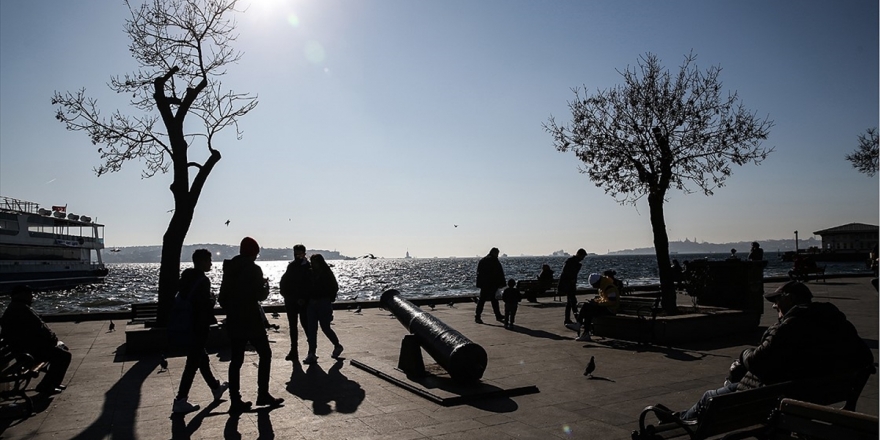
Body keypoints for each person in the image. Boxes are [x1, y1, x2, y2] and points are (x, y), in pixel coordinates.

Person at [672, 281, 874, 422]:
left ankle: (678, 423)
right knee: (729, 386)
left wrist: (743, 354)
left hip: (774, 396)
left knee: (710, 397)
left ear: (790, 298)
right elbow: (865, 358)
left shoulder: (789, 327)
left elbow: (758, 361)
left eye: (777, 299)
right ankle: (681, 416)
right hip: (809, 391)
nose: (773, 305)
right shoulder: (836, 321)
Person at [218, 237, 284, 412]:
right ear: (253, 252)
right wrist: (265, 286)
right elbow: (260, 296)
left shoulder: (229, 268)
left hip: (234, 320)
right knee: (265, 354)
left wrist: (233, 308)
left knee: (236, 360)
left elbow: (222, 298)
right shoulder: (254, 269)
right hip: (251, 320)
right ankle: (262, 393)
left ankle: (235, 400)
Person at [172, 249, 228, 414]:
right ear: (202, 262)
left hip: (187, 325)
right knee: (193, 363)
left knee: (201, 359)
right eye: (209, 260)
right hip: (198, 326)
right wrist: (212, 300)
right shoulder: (202, 281)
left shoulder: (186, 278)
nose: (211, 263)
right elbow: (203, 306)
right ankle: (181, 399)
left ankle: (215, 387)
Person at [0, 285, 71, 395]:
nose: (32, 297)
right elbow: (40, 330)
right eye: (29, 294)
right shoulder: (22, 310)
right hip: (28, 352)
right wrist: (52, 340)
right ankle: (46, 386)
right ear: (23, 295)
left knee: (61, 351)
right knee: (64, 356)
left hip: (25, 349)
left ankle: (52, 383)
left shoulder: (17, 308)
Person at [303, 254, 344, 364]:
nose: (313, 264)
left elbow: (334, 287)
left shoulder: (326, 273)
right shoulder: (309, 273)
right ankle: (311, 353)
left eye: (314, 262)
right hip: (312, 303)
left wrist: (329, 298)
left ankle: (337, 345)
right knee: (311, 329)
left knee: (325, 327)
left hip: (323, 303)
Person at [279, 244, 311, 362]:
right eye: (295, 254)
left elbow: (309, 285)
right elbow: (285, 283)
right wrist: (287, 295)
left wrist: (304, 298)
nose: (297, 256)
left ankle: (311, 350)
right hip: (291, 301)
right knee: (293, 327)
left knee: (306, 325)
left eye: (299, 254)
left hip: (302, 302)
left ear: (304, 253)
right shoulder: (292, 266)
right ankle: (294, 350)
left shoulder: (308, 267)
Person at [573, 273, 620, 342]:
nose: (594, 287)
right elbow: (604, 299)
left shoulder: (610, 288)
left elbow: (612, 302)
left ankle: (580, 326)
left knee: (587, 308)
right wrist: (596, 301)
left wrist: (597, 304)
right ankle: (583, 330)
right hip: (606, 308)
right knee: (588, 310)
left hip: (611, 309)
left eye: (594, 285)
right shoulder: (603, 287)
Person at [475, 247, 506, 324]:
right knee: (494, 300)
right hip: (493, 283)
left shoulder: (483, 260)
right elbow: (499, 272)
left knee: (482, 300)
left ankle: (478, 316)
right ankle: (497, 315)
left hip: (485, 284)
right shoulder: (494, 261)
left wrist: (480, 284)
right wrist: (502, 283)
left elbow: (479, 273)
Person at [560, 248, 588, 325]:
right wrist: (571, 280)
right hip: (569, 284)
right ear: (579, 254)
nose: (582, 259)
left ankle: (569, 319)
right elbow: (567, 273)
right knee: (572, 302)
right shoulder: (572, 262)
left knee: (570, 303)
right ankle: (577, 319)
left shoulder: (572, 262)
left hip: (570, 284)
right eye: (582, 257)